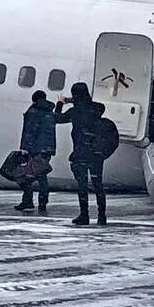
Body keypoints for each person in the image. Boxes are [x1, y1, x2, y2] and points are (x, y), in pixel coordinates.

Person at [55, 82, 108, 226]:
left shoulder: (75, 112)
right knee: (98, 185)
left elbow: (57, 118)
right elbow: (99, 106)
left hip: (81, 152)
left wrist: (61, 103)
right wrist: (75, 100)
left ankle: (84, 215)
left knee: (82, 185)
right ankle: (102, 216)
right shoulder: (97, 109)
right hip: (97, 152)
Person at [16, 90, 56, 214]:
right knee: (41, 175)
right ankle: (42, 202)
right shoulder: (50, 112)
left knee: (26, 175)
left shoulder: (33, 112)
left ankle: (28, 201)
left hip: (34, 148)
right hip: (47, 149)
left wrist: (24, 148)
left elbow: (29, 131)